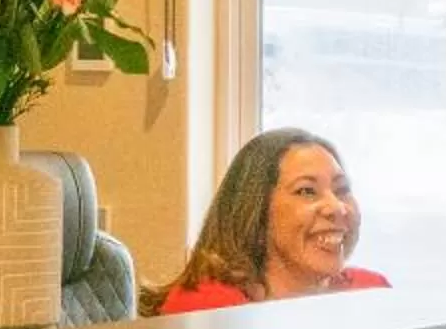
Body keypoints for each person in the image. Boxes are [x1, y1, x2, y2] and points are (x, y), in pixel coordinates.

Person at [146, 129, 390, 313]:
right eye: (307, 191)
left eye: (341, 189)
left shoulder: (371, 290)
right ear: (257, 211)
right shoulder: (209, 309)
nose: (337, 207)